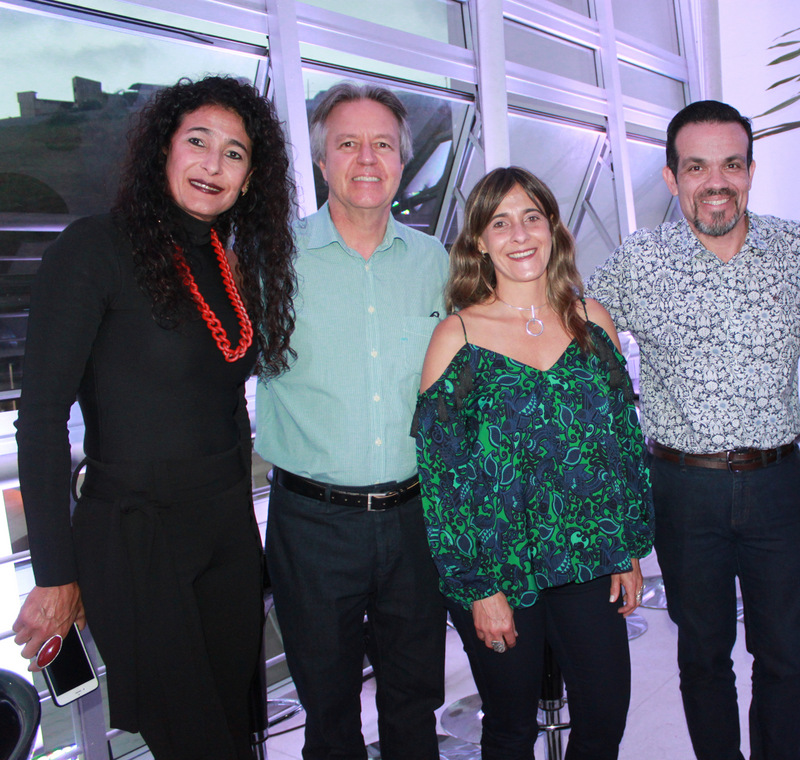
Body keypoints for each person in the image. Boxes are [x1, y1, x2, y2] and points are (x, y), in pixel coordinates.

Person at [12, 75, 297, 760]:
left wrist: (248, 549)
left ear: (250, 177)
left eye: (234, 154)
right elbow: (42, 415)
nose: (213, 164)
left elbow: (223, 403)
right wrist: (55, 575)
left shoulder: (224, 263)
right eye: (197, 141)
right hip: (138, 539)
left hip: (225, 532)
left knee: (236, 730)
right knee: (195, 742)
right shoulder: (94, 248)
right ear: (162, 150)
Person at [413, 166, 654, 760]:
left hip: (589, 561)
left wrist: (624, 550)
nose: (519, 234)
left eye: (531, 217)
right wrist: (478, 589)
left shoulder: (592, 321)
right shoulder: (457, 336)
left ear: (552, 229)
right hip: (502, 572)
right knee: (511, 731)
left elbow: (619, 448)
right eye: (500, 222)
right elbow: (443, 482)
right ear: (479, 242)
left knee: (604, 719)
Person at [587, 100, 800, 760]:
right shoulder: (639, 259)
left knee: (788, 656)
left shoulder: (793, 250)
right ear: (672, 177)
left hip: (780, 483)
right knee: (703, 655)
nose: (717, 181)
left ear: (751, 171)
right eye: (698, 166)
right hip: (682, 490)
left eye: (731, 164)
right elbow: (578, 341)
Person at [256, 82, 448, 760]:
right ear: (321, 159)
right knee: (327, 711)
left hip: (416, 519)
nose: (367, 158)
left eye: (383, 145)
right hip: (313, 525)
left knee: (415, 702)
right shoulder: (270, 259)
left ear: (401, 160)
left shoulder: (438, 263)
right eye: (347, 144)